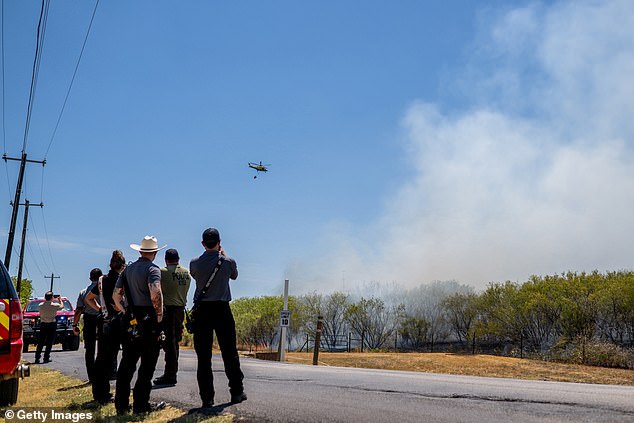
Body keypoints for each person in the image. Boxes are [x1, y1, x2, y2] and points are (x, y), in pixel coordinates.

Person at [190, 227, 246, 408]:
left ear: (203, 243)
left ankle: (207, 398)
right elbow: (234, 276)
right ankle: (236, 391)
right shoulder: (228, 261)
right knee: (230, 353)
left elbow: (195, 276)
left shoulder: (195, 263)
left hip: (203, 311)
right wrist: (223, 255)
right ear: (219, 242)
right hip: (222, 309)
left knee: (203, 357)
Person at [112, 235, 167, 415]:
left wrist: (124, 310)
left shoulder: (127, 271)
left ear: (140, 251)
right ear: (155, 252)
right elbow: (155, 293)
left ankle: (121, 405)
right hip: (149, 319)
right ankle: (141, 405)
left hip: (130, 318)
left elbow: (115, 296)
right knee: (147, 364)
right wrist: (159, 318)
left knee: (127, 362)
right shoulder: (153, 269)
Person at [85, 250, 126, 404]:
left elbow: (88, 298)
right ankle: (119, 393)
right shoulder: (122, 279)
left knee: (101, 359)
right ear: (122, 266)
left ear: (110, 264)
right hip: (120, 321)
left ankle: (100, 393)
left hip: (105, 321)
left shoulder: (102, 281)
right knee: (122, 358)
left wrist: (100, 309)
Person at [153, 248, 191, 386]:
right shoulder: (187, 273)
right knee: (175, 343)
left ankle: (170, 374)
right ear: (178, 259)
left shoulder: (162, 272)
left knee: (168, 343)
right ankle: (171, 372)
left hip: (168, 310)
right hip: (180, 310)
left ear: (166, 260)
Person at [73, 268, 102, 383]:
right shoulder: (103, 289)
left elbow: (78, 310)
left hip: (89, 319)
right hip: (102, 319)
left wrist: (75, 325)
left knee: (89, 350)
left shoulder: (83, 292)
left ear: (90, 278)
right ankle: (102, 374)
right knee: (103, 348)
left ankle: (92, 377)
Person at [34, 291, 64, 364]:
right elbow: (62, 306)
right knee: (49, 342)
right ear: (52, 298)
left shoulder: (40, 305)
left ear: (45, 297)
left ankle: (37, 358)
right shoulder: (54, 305)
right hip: (52, 325)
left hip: (43, 324)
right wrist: (60, 300)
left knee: (40, 342)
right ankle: (46, 357)